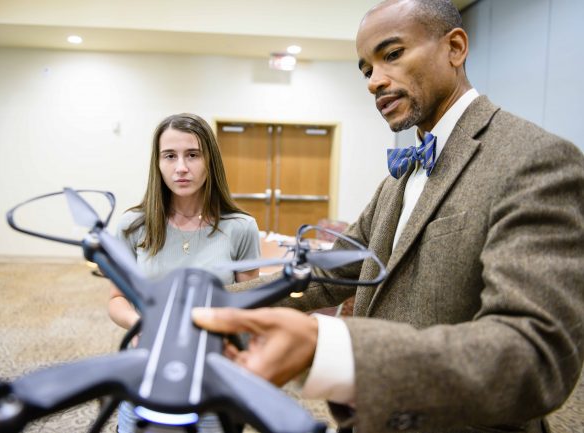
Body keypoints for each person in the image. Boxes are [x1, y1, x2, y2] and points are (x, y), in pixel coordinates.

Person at [191, 1, 584, 433]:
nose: (375, 81)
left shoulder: (534, 159)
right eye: (365, 69)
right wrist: (212, 301)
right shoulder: (398, 179)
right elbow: (328, 274)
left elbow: (535, 356)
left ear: (455, 48)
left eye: (392, 54)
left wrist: (332, 349)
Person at [108, 113, 261, 432]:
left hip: (212, 371)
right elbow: (117, 298)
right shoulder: (132, 226)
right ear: (158, 162)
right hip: (147, 364)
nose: (181, 167)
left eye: (192, 155)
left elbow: (250, 307)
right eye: (170, 156)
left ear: (210, 161)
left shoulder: (240, 228)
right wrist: (142, 327)